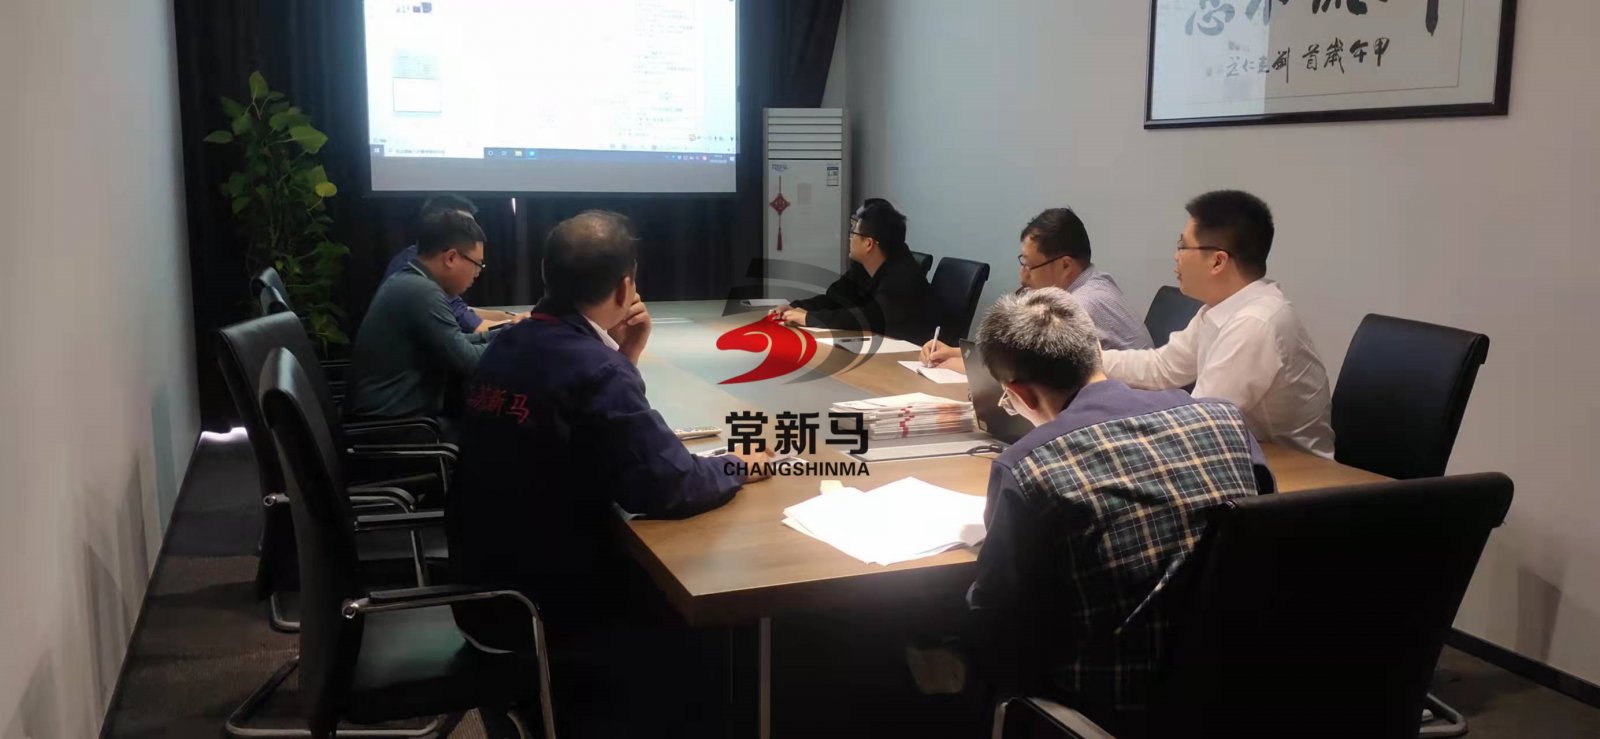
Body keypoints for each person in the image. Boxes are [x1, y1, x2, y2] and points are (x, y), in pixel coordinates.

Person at [447, 209, 770, 638]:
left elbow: (599, 430)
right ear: (624, 287)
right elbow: (666, 485)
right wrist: (738, 464)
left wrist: (624, 356)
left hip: (482, 589)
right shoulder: (596, 369)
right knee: (713, 580)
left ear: (546, 274)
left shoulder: (509, 342)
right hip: (550, 603)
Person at [966, 287, 1271, 733]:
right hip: (1241, 684)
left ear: (1021, 395)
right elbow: (1263, 533)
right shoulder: (1226, 420)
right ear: (1097, 352)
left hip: (1114, 708)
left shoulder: (1029, 466)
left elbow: (998, 616)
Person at [1099, 190, 1335, 458]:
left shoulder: (1255, 323)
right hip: (1249, 456)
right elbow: (1162, 367)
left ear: (1217, 261)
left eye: (1183, 246)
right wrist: (1086, 359)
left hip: (1299, 474)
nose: (1176, 256)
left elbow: (1199, 424)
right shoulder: (1220, 310)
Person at [920, 207, 1152, 371]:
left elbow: (1029, 372)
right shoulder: (1094, 280)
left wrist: (958, 366)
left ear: (1065, 266)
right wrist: (956, 353)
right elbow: (1018, 355)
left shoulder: (1081, 304)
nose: (1022, 276)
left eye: (1030, 266)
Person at [343, 209, 494, 426]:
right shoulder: (422, 292)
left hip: (394, 419)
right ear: (451, 257)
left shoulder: (409, 280)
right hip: (395, 428)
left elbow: (455, 341)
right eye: (477, 264)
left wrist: (505, 333)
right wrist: (516, 341)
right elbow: (468, 361)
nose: (477, 273)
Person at [770, 198, 938, 343]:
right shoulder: (864, 265)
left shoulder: (903, 277)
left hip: (909, 353)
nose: (850, 239)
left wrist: (810, 318)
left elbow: (870, 318)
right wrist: (794, 308)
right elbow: (836, 299)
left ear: (869, 244)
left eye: (854, 233)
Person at [381, 194, 521, 333]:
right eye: (465, 226)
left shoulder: (414, 260)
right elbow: (471, 330)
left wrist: (508, 316)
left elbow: (460, 311)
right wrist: (522, 325)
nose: (473, 234)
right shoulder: (419, 280)